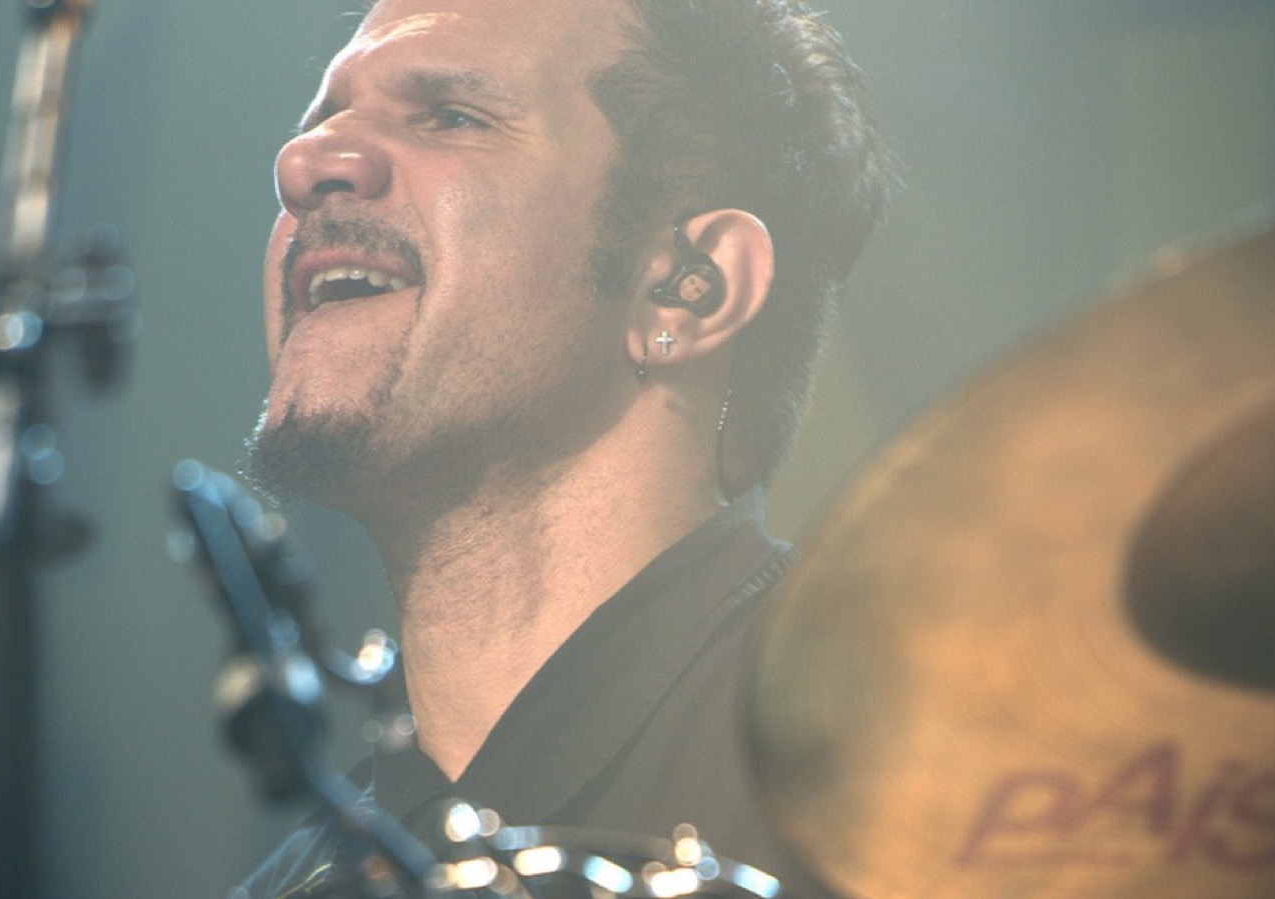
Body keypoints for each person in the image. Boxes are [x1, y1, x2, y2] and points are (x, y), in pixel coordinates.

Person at [236, 0, 893, 895]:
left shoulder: (907, 765)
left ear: (686, 292)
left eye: (451, 116)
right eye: (320, 122)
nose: (303, 163)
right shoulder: (296, 882)